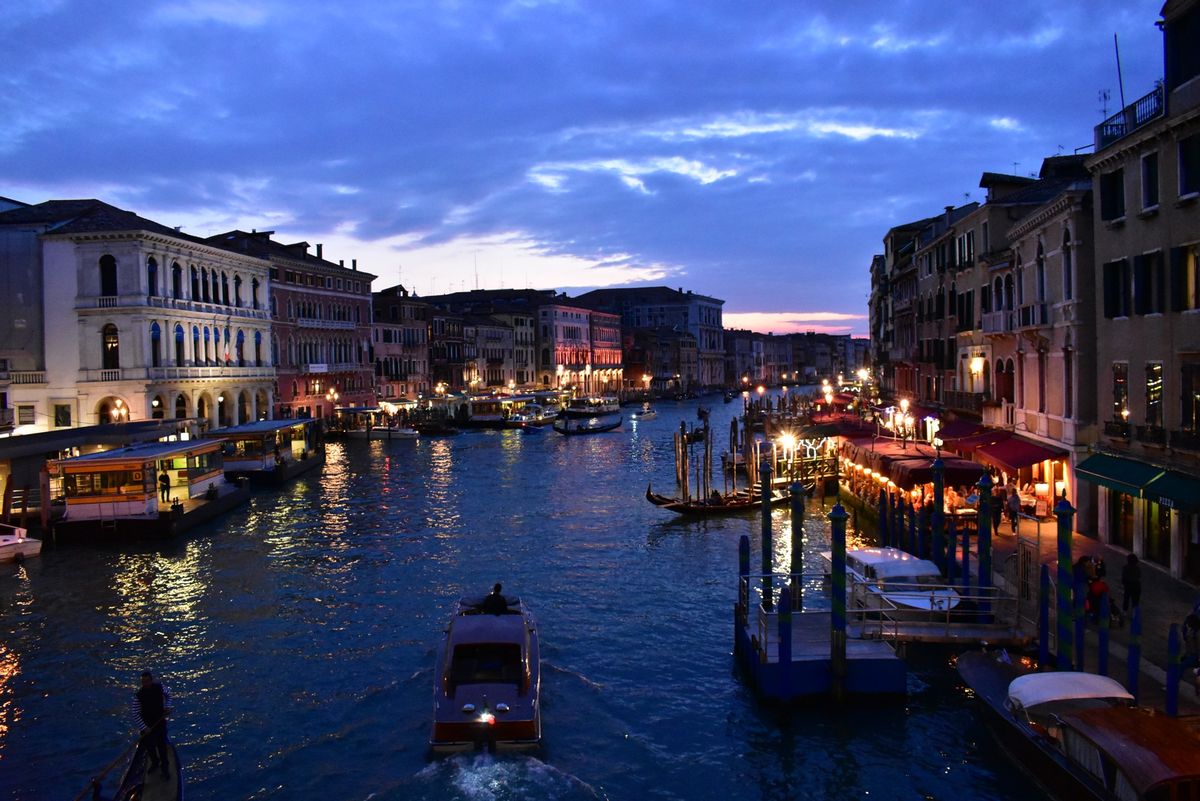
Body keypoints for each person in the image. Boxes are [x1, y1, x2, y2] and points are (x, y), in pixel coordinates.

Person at [132, 671, 171, 777]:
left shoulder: (160, 687)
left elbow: (168, 696)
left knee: (162, 747)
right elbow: (135, 714)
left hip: (159, 723)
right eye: (143, 682)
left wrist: (167, 707)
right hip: (147, 725)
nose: (146, 684)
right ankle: (155, 762)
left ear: (151, 680)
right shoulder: (139, 696)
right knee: (150, 747)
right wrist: (144, 728)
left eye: (147, 681)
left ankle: (165, 768)